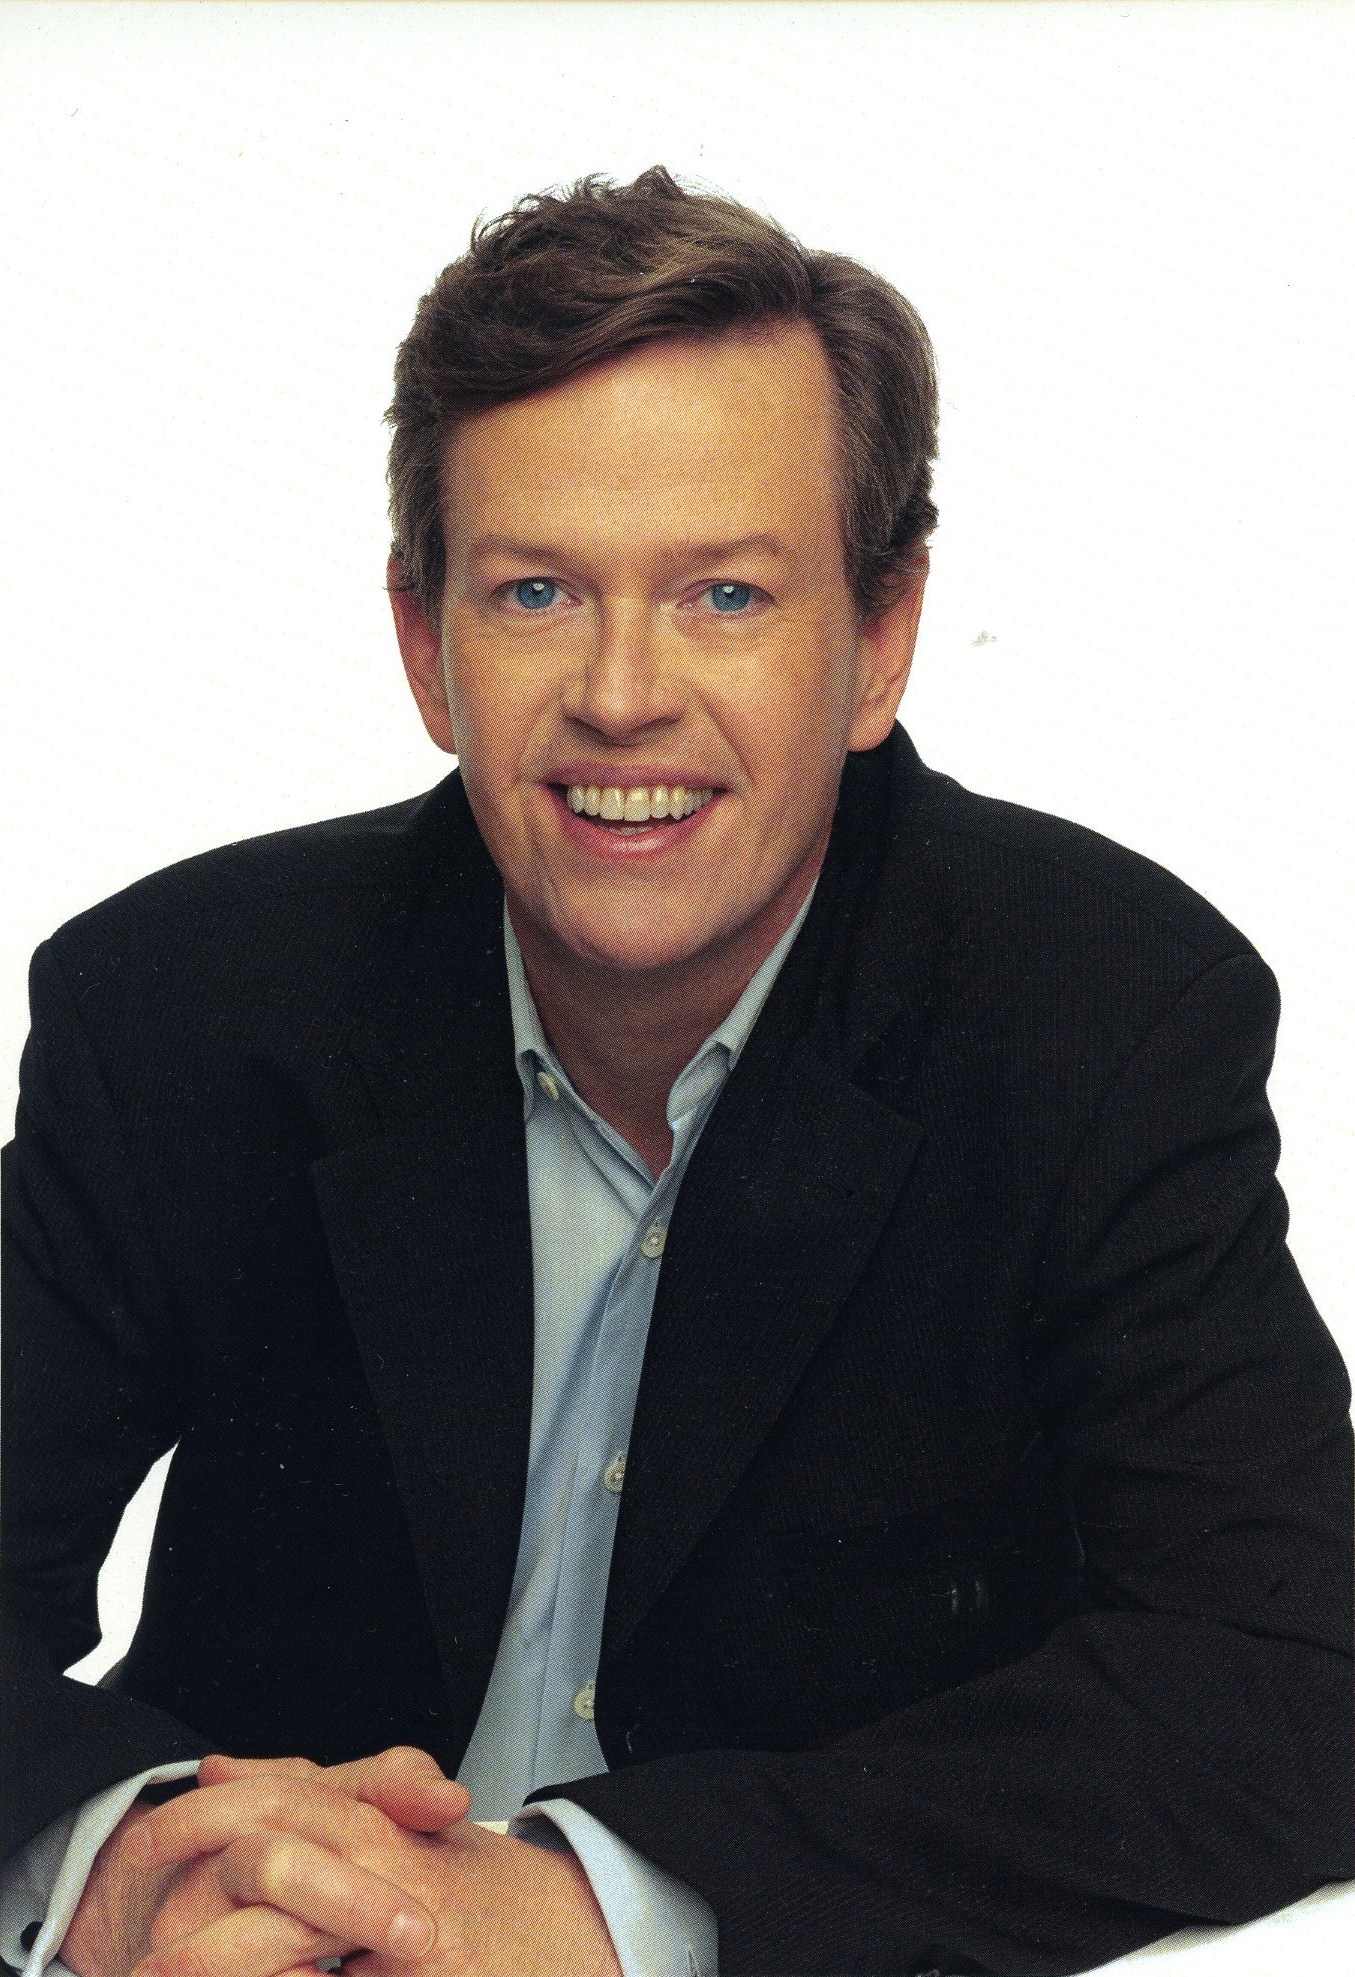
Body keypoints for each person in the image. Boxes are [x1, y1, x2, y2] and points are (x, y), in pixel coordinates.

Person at [2, 166, 1350, 1977]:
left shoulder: (1095, 1011)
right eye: (538, 588)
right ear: (427, 645)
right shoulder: (179, 1006)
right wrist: (121, 1859)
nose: (622, 694)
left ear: (877, 638)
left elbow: (1295, 1664)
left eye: (723, 592)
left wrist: (602, 1901)